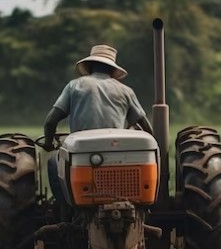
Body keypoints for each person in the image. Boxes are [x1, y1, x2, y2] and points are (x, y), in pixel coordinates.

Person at [42, 44, 153, 200]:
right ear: (113, 70)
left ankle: (65, 210)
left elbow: (50, 121)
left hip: (82, 150)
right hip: (119, 152)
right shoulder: (125, 91)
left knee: (54, 163)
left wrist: (48, 143)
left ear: (90, 66)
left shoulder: (75, 86)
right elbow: (145, 125)